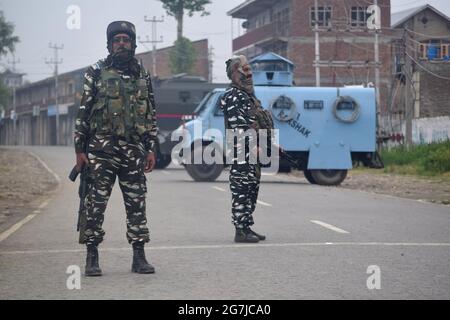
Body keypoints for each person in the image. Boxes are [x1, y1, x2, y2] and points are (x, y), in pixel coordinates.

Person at [74, 21, 158, 276]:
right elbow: (83, 113)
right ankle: (92, 256)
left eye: (126, 39)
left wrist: (151, 148)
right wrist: (80, 150)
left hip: (134, 151)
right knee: (95, 204)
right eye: (117, 39)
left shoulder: (142, 74)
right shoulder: (96, 72)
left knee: (137, 204)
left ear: (133, 43)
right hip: (101, 152)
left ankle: (139, 256)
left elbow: (151, 114)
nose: (122, 43)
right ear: (110, 44)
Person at [220, 55, 267, 243]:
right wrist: (252, 146)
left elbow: (256, 122)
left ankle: (247, 226)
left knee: (251, 189)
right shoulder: (232, 96)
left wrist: (270, 144)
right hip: (241, 151)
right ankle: (240, 230)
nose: (249, 74)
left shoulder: (248, 95)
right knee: (241, 189)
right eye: (245, 70)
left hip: (253, 150)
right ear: (234, 73)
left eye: (249, 70)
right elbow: (238, 126)